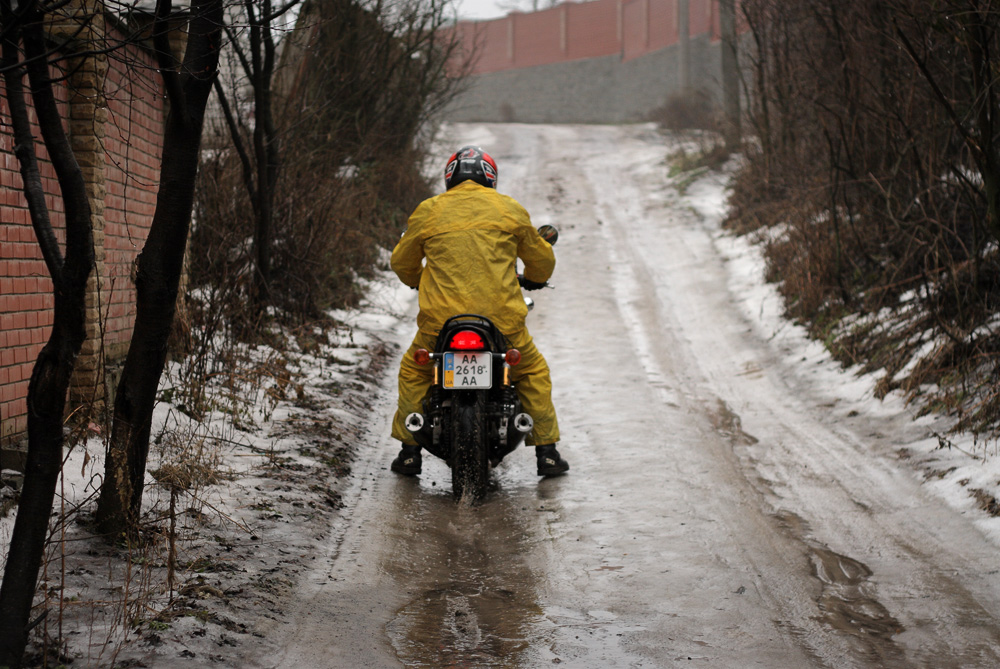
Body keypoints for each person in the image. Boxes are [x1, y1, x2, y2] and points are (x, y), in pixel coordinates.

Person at [388, 145, 569, 478]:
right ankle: (547, 453)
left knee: (416, 371)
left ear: (450, 177)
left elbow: (402, 261)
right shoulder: (509, 208)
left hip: (440, 322)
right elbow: (541, 259)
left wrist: (418, 280)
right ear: (490, 177)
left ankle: (410, 452)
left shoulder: (429, 210)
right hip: (501, 321)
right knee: (531, 371)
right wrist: (533, 279)